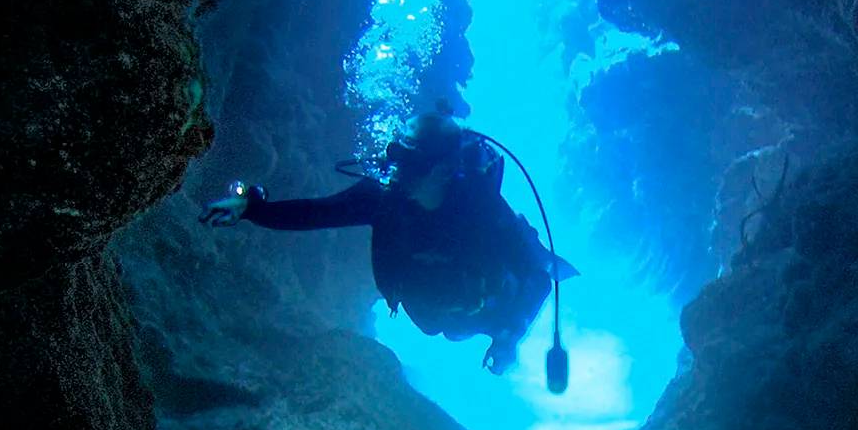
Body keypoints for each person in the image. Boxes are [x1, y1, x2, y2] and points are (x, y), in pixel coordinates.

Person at [200, 105, 576, 375]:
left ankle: (542, 253)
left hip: (484, 310)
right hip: (427, 309)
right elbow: (315, 214)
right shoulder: (384, 198)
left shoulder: (484, 211)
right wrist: (250, 208)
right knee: (439, 326)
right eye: (396, 160)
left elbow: (538, 281)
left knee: (521, 276)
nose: (397, 175)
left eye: (411, 165)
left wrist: (510, 338)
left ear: (445, 170)